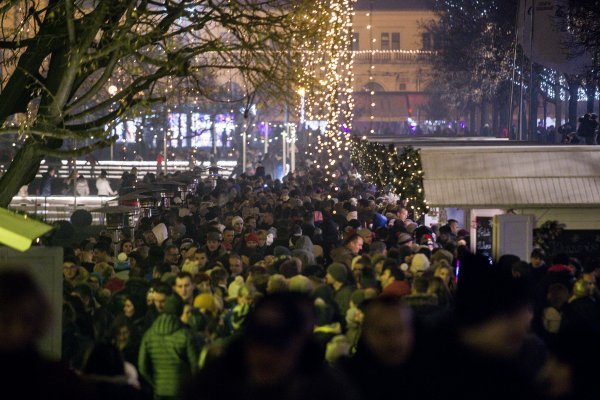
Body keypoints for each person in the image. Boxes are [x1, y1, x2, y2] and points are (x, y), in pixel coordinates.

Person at [182, 292, 357, 400]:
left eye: (278, 346)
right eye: (259, 341)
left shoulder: (324, 389)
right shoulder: (215, 384)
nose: (266, 355)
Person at [0, 266, 86, 399]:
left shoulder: (58, 379)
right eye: (6, 319)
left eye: (25, 319)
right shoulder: (59, 379)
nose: (14, 328)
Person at [138, 295, 198, 400]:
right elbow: (195, 365)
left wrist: (155, 383)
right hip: (181, 391)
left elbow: (142, 366)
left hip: (159, 391)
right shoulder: (184, 334)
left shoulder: (149, 334)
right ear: (179, 311)